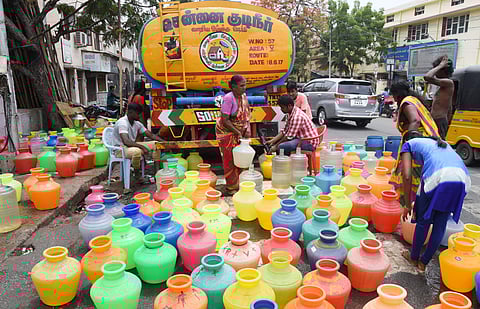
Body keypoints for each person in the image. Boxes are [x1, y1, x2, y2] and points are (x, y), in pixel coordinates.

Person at [400, 130, 470, 271]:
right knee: (440, 223)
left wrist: (407, 205)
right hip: (462, 179)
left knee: (423, 222)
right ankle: (423, 263)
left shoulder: (408, 144)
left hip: (439, 176)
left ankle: (413, 258)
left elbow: (406, 175)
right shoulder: (440, 143)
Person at [389, 81, 440, 206]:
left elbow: (415, 120)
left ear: (398, 94)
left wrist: (410, 141)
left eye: (394, 95)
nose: (394, 99)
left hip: (417, 143)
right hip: (427, 142)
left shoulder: (407, 103)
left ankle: (410, 205)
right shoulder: (414, 100)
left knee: (410, 176)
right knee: (420, 177)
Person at [216, 75, 251, 195]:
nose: (244, 88)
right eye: (242, 86)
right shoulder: (228, 99)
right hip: (226, 132)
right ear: (234, 87)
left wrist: (246, 130)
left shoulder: (243, 97)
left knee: (241, 159)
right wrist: (237, 132)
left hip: (238, 132)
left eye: (245, 85)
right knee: (229, 160)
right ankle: (231, 187)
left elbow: (246, 115)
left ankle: (240, 184)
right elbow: (225, 120)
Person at [113, 103, 163, 181]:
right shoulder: (122, 123)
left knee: (156, 144)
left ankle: (157, 173)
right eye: (137, 114)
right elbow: (126, 141)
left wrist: (165, 142)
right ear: (131, 112)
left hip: (131, 146)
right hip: (120, 149)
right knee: (137, 151)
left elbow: (151, 135)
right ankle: (137, 174)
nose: (139, 116)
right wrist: (142, 147)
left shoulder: (137, 124)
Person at [424, 55, 455, 139]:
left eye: (437, 69)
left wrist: (440, 65)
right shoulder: (443, 85)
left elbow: (427, 77)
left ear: (442, 70)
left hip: (439, 120)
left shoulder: (448, 82)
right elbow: (449, 107)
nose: (436, 72)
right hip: (438, 120)